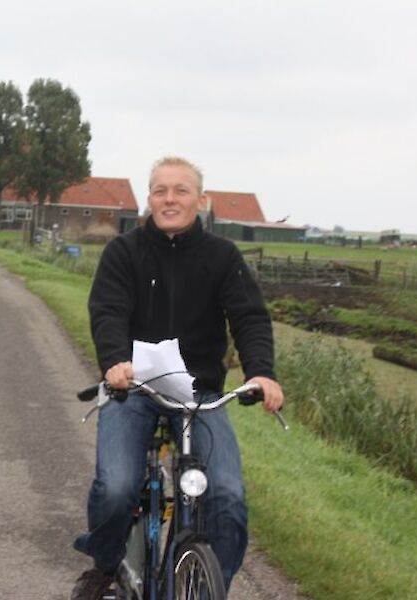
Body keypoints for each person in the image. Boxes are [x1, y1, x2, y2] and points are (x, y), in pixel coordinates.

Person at [69, 156, 285, 600]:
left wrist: (261, 372)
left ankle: (200, 590)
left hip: (198, 393)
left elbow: (249, 318)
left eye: (181, 190)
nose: (170, 199)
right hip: (134, 389)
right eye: (160, 190)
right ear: (149, 199)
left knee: (225, 497)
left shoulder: (223, 257)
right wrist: (115, 362)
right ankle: (106, 563)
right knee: (117, 487)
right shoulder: (123, 252)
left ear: (201, 200)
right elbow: (108, 311)